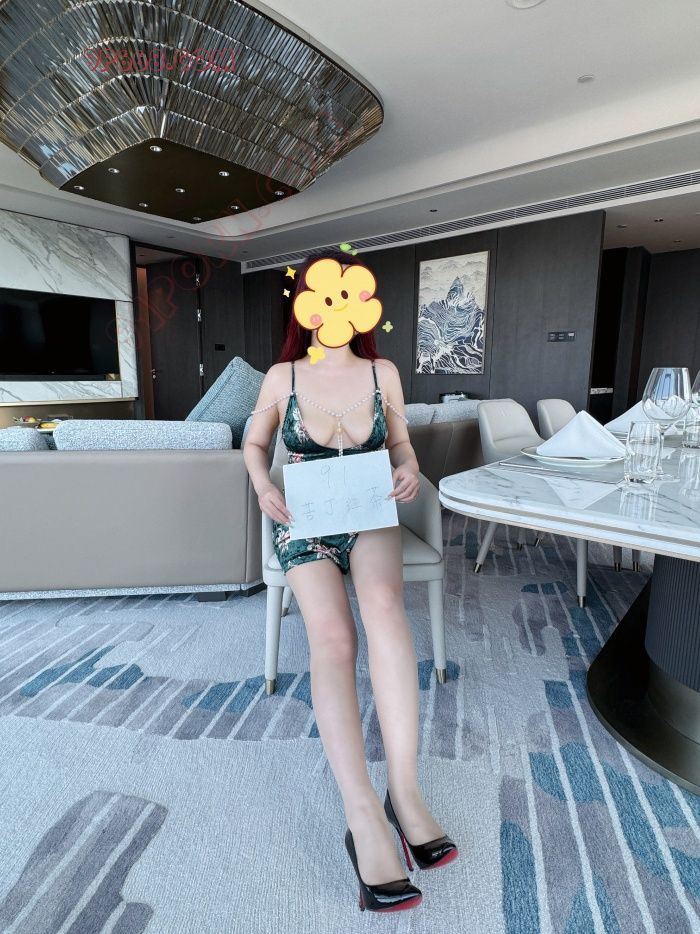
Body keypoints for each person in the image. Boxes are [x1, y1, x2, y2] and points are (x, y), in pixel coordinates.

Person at [243, 251, 458, 913]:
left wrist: (408, 468)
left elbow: (400, 444)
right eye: (323, 295)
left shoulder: (380, 372)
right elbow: (254, 444)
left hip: (368, 513)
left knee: (385, 608)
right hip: (304, 521)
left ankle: (404, 790)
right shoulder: (283, 377)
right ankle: (362, 811)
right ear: (305, 305)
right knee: (334, 640)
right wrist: (263, 487)